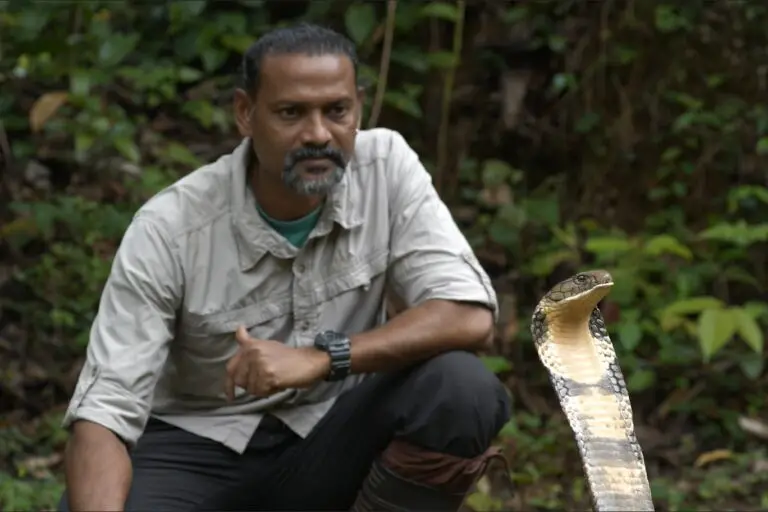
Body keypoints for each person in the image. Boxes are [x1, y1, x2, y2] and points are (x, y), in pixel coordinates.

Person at [58, 22, 511, 512]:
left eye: (336, 111)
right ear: (245, 114)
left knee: (461, 388)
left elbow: (468, 315)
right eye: (291, 113)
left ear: (358, 106)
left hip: (334, 432)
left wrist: (324, 359)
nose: (318, 134)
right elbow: (104, 412)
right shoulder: (170, 228)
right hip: (198, 444)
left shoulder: (386, 168)